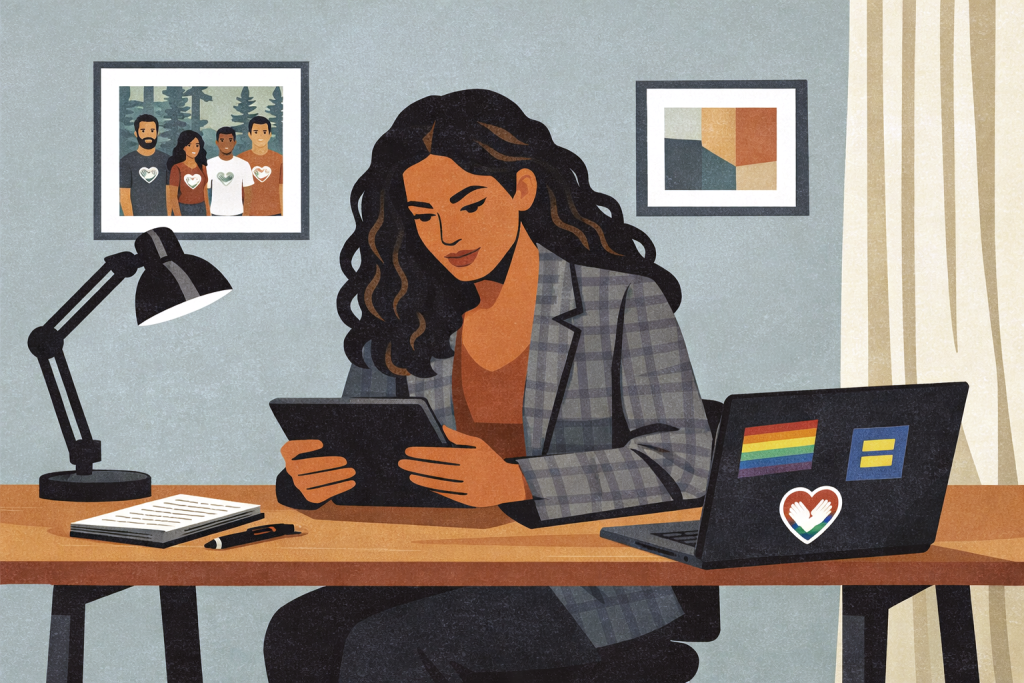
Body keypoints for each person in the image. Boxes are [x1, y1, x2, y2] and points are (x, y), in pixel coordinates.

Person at [266, 90, 713, 682]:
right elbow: (364, 448)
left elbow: (685, 461)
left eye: (468, 204)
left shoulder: (621, 300)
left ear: (521, 190)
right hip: (447, 569)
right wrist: (310, 482)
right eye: (424, 216)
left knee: (390, 648)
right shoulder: (409, 312)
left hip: (591, 586)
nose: (447, 234)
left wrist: (513, 480)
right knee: (300, 632)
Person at [119, 114, 170, 216]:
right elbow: (124, 195)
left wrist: (168, 219)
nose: (148, 135)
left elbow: (170, 193)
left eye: (152, 131)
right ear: (136, 133)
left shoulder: (167, 160)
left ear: (157, 133)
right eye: (143, 131)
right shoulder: (126, 162)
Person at [238, 115, 283, 215]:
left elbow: (283, 190)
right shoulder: (241, 160)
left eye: (264, 132)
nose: (260, 136)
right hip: (249, 214)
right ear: (250, 134)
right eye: (256, 132)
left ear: (269, 134)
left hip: (275, 213)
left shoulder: (280, 160)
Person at [206, 127, 254, 216]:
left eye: (230, 140)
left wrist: (246, 215)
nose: (226, 143)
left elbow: (248, 193)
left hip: (238, 213)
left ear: (235, 142)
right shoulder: (209, 164)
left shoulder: (244, 164)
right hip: (216, 213)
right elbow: (205, 192)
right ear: (217, 142)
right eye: (222, 140)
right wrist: (208, 214)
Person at [166, 130, 210, 217]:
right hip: (183, 209)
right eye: (189, 145)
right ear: (184, 147)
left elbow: (205, 193)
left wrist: (208, 213)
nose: (194, 148)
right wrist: (178, 217)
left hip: (200, 209)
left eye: (197, 145)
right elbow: (173, 197)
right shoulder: (177, 168)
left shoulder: (202, 167)